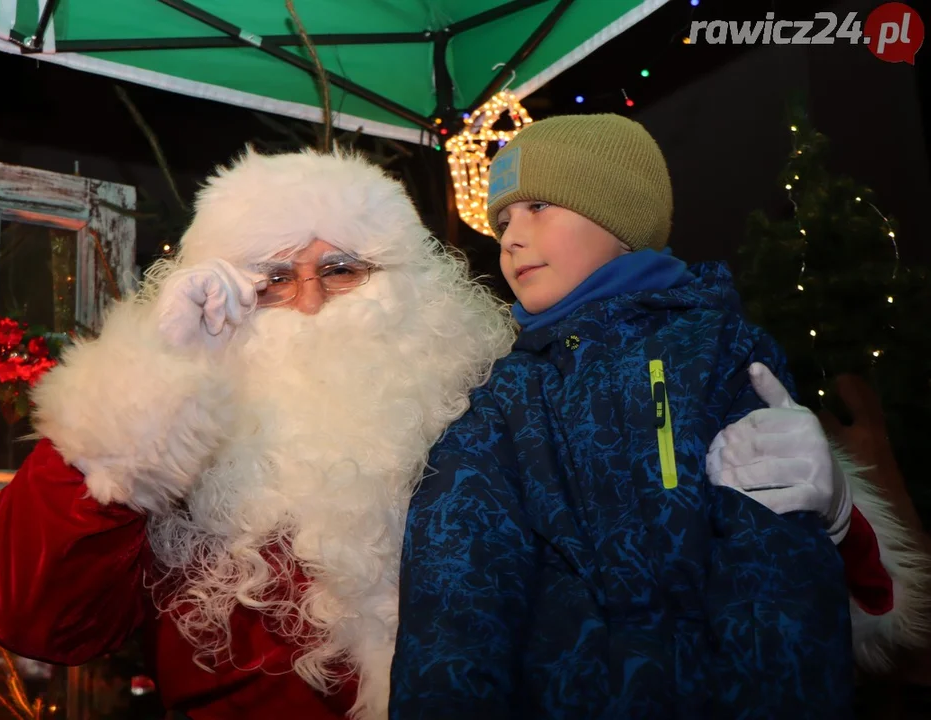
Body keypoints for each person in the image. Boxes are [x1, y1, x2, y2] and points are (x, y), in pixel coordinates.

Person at [0, 145, 924, 720]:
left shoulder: (506, 396)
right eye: (269, 278)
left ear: (410, 283)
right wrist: (148, 397)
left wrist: (840, 521)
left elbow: (709, 584)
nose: (304, 302)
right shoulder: (179, 442)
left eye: (340, 268)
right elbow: (34, 620)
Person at [389, 114, 928, 718]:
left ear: (620, 218)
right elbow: (456, 598)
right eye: (503, 221)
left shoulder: (721, 352)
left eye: (538, 207)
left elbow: (774, 573)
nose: (510, 238)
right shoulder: (500, 399)